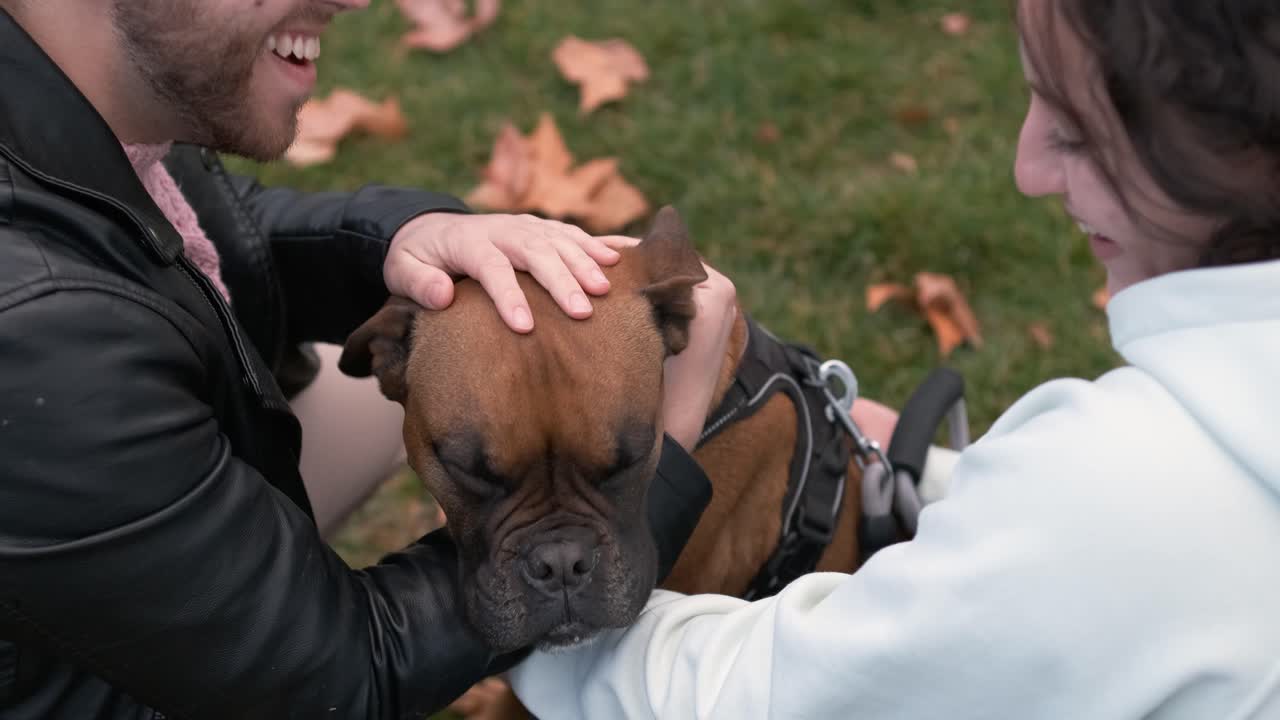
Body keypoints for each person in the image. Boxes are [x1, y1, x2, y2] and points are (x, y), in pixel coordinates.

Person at [506, 1, 1280, 718]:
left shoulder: (1112, 492)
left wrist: (484, 591)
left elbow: (761, 699)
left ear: (1243, 144)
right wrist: (952, 490)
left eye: (1077, 130)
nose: (1028, 169)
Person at [0, 1, 745, 718]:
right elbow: (337, 680)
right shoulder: (36, 336)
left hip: (94, 510)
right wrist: (670, 449)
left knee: (456, 384)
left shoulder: (73, 99)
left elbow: (204, 237)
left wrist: (404, 241)